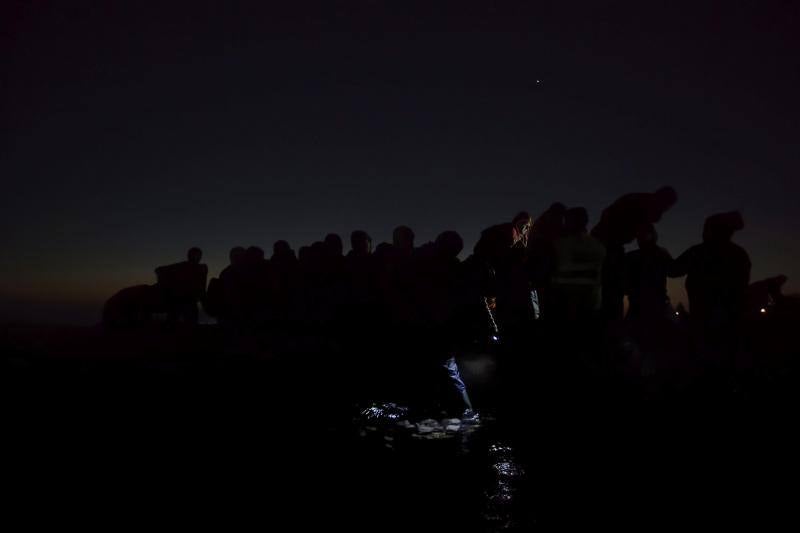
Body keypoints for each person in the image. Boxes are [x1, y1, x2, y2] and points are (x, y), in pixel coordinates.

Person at [669, 211, 750, 375]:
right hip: (731, 321)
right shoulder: (739, 254)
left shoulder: (698, 252)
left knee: (704, 365)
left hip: (704, 321)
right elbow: (742, 287)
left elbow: (673, 270)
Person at [592, 186, 677, 320]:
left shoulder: (639, 203)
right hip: (607, 244)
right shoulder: (642, 205)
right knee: (612, 289)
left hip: (608, 244)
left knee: (611, 288)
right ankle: (611, 325)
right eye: (665, 207)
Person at [154, 247, 208, 325]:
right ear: (189, 255)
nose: (198, 257)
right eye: (196, 255)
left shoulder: (201, 268)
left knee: (187, 322)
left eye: (199, 255)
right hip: (180, 301)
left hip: (187, 301)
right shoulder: (185, 266)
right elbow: (159, 270)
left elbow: (159, 270)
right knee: (176, 322)